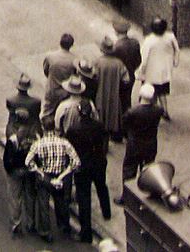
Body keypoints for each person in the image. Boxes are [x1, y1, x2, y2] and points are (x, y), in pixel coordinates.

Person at [65, 90, 112, 238]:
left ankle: (86, 231)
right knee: (101, 186)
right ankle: (106, 212)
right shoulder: (99, 126)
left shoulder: (73, 130)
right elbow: (105, 141)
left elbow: (69, 149)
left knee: (84, 197)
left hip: (82, 166)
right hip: (98, 162)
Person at [26, 119, 80, 242]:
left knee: (43, 204)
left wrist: (39, 171)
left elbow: (28, 162)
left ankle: (45, 231)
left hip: (45, 176)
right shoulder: (64, 143)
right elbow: (76, 161)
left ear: (43, 128)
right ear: (54, 128)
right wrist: (65, 173)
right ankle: (64, 226)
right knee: (61, 202)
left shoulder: (38, 144)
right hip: (60, 175)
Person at [117, 84, 163, 203]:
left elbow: (124, 125)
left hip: (135, 145)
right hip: (151, 144)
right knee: (148, 170)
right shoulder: (158, 110)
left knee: (129, 171)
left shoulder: (132, 112)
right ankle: (148, 196)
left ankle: (126, 198)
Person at [2, 107, 38, 237]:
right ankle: (31, 223)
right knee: (30, 196)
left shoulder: (13, 137)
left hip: (16, 171)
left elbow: (7, 159)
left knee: (15, 198)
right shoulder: (34, 135)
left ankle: (16, 224)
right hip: (29, 170)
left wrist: (10, 170)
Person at [138, 17, 179, 120]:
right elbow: (177, 50)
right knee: (162, 92)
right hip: (164, 71)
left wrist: (141, 71)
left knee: (151, 92)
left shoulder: (149, 40)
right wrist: (175, 61)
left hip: (151, 72)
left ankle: (152, 113)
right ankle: (165, 111)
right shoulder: (170, 37)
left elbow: (144, 58)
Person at [93, 35, 129, 142]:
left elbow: (93, 76)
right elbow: (126, 79)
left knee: (100, 111)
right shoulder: (119, 63)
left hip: (100, 92)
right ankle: (114, 133)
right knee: (114, 111)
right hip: (114, 93)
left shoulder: (98, 62)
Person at [42, 33, 77, 120]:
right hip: (65, 92)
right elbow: (75, 76)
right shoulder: (74, 59)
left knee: (47, 113)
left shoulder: (50, 56)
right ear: (71, 45)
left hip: (52, 89)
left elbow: (46, 70)